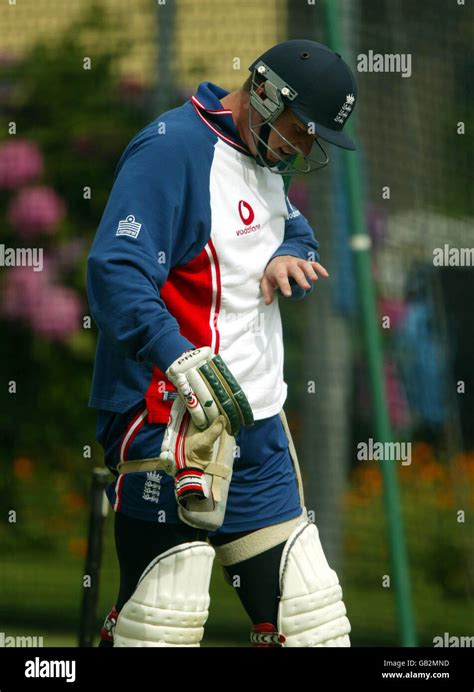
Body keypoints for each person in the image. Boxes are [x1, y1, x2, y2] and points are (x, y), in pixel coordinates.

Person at [87, 39, 357, 648]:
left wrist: (291, 253)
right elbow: (116, 270)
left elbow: (293, 225)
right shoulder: (174, 149)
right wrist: (176, 355)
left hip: (257, 424)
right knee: (162, 624)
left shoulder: (263, 157)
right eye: (300, 129)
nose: (303, 147)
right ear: (264, 94)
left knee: (314, 627)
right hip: (170, 418)